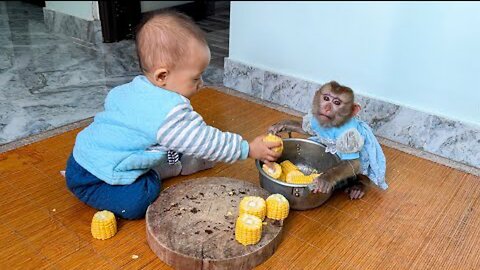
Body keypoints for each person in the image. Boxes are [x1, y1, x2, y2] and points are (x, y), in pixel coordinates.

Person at [65, 10, 281, 220]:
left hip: (81, 154)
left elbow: (113, 104)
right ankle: (152, 173)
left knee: (171, 142)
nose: (202, 84)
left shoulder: (134, 87)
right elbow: (206, 142)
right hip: (95, 177)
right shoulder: (167, 114)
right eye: (196, 78)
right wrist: (248, 148)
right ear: (162, 76)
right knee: (140, 199)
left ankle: (166, 159)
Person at [268, 81, 387, 200]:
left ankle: (361, 183)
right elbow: (313, 129)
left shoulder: (347, 133)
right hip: (333, 143)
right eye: (326, 98)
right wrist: (285, 124)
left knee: (358, 169)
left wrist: (329, 177)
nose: (327, 107)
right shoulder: (319, 116)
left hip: (354, 154)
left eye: (336, 103)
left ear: (352, 111)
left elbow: (354, 163)